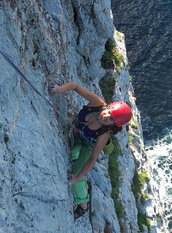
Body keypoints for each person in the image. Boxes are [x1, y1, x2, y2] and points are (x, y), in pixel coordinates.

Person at [49, 81, 132, 220]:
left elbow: (93, 158)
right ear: (108, 107)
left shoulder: (104, 134)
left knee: (75, 173)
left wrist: (78, 177)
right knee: (73, 153)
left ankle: (83, 205)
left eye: (111, 119)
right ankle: (76, 156)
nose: (106, 116)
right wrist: (59, 89)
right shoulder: (96, 104)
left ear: (113, 125)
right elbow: (75, 86)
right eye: (109, 113)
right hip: (76, 134)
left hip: (87, 147)